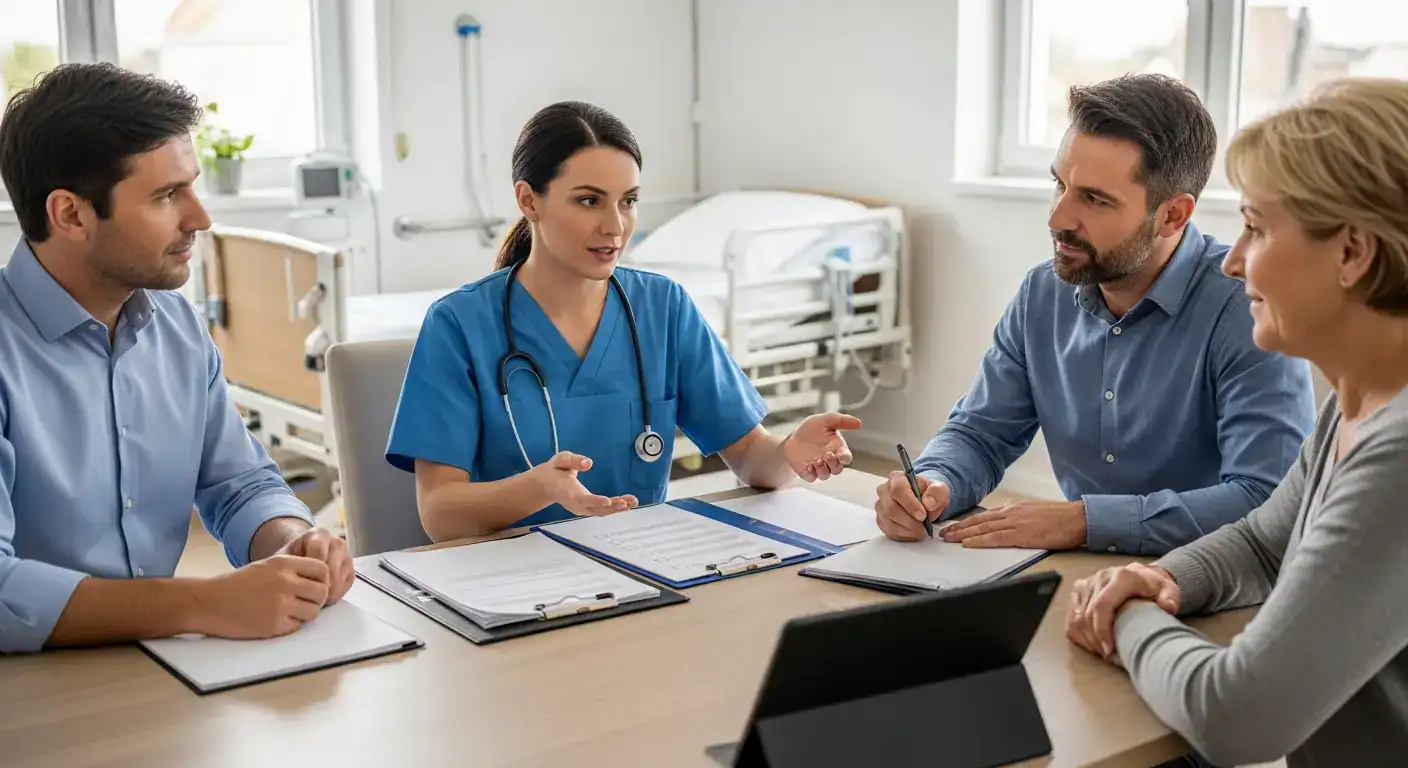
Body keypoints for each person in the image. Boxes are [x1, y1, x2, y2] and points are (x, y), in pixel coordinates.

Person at [1065, 77, 1408, 766]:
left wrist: (1127, 614)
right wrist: (1158, 578)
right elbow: (1260, 544)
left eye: (1256, 228)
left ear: (1352, 253)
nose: (1232, 258)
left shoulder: (1399, 451)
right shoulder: (1358, 403)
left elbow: (1236, 718)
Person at [874, 74, 1316, 555]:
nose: (1058, 218)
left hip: (1221, 585)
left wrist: (1086, 522)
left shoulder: (1248, 308)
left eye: (1094, 199)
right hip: (1090, 577)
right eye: (1059, 185)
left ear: (1173, 215)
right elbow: (980, 433)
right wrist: (934, 482)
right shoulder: (1043, 293)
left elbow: (1266, 502)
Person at [385, 101, 861, 542]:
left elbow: (753, 461)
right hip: (510, 585)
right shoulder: (459, 325)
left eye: (628, 201)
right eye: (589, 201)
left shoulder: (662, 306)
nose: (615, 226)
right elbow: (440, 515)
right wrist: (542, 489)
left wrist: (791, 453)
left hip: (642, 567)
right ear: (529, 201)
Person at [0, 64, 354, 654]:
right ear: (70, 214)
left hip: (164, 671)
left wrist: (294, 541)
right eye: (167, 196)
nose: (200, 217)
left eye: (191, 186)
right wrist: (202, 602)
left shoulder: (176, 326)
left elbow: (240, 484)